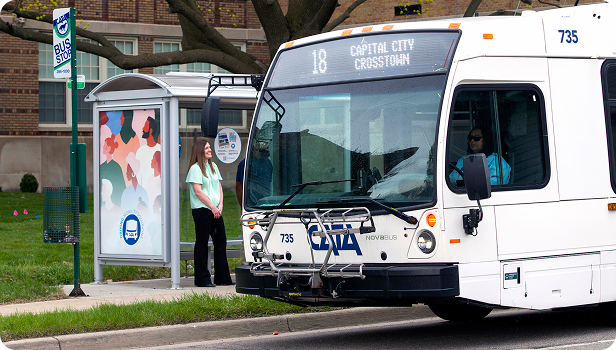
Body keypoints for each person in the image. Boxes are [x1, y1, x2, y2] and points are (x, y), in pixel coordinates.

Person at [186, 139, 234, 287]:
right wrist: (212, 206)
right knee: (202, 242)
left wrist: (220, 205)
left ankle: (222, 278)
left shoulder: (213, 167)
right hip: (202, 210)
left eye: (209, 147)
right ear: (200, 150)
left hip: (215, 210)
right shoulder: (195, 169)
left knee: (221, 241)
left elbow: (219, 186)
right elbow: (198, 191)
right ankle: (202, 279)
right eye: (207, 148)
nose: (209, 150)